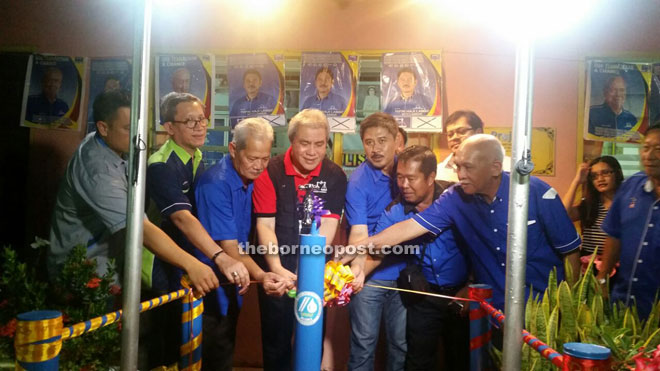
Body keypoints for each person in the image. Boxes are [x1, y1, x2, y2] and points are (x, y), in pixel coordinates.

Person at [351, 134, 581, 312]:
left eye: (468, 167)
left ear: (495, 167)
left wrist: (572, 304)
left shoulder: (537, 193)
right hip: (491, 309)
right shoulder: (455, 198)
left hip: (544, 306)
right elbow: (409, 228)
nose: (460, 174)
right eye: (458, 166)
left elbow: (570, 253)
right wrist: (357, 248)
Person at [48, 90, 218, 296]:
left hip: (114, 265)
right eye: (128, 128)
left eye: (138, 127)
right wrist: (192, 264)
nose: (136, 135)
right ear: (103, 127)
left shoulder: (117, 144)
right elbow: (140, 227)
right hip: (83, 270)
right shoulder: (98, 171)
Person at [146, 92, 249, 369]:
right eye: (189, 121)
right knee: (167, 345)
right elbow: (182, 218)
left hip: (189, 262)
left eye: (201, 119)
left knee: (195, 343)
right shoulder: (160, 164)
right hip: (161, 265)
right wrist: (221, 256)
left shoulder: (197, 156)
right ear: (169, 127)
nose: (199, 126)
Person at [195, 117, 293, 370]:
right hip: (209, 285)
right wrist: (263, 274)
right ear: (233, 149)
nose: (260, 166)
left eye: (265, 158)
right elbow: (229, 247)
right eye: (252, 158)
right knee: (213, 354)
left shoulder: (253, 177)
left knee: (226, 348)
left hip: (234, 281)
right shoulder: (215, 183)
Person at [252, 108, 348, 370]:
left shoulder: (335, 176)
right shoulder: (269, 171)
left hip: (315, 270)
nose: (312, 151)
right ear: (292, 141)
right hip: (277, 269)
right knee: (276, 342)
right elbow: (266, 225)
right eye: (304, 143)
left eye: (319, 144)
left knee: (311, 340)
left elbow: (329, 224)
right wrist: (278, 269)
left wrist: (309, 270)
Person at [379, 145, 469, 371]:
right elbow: (376, 247)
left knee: (460, 360)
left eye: (411, 178)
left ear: (431, 177)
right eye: (399, 177)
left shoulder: (457, 200)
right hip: (423, 295)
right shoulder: (395, 210)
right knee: (418, 361)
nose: (404, 185)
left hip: (463, 295)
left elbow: (482, 246)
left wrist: (471, 285)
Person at [343, 112, 404, 370]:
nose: (375, 148)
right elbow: (358, 232)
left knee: (401, 346)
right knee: (363, 344)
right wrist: (359, 270)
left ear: (396, 140)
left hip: (404, 273)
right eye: (369, 142)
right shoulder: (358, 181)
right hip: (369, 276)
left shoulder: (407, 170)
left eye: (382, 140)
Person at [597, 122, 660, 319]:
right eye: (646, 147)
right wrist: (603, 279)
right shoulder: (631, 187)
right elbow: (614, 235)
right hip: (624, 303)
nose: (649, 156)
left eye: (658, 149)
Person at [563, 156, 624, 256]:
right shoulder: (589, 205)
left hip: (617, 262)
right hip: (588, 264)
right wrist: (576, 182)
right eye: (594, 176)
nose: (600, 179)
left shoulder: (627, 204)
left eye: (605, 173)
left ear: (616, 173)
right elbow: (561, 215)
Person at [436, 110, 511, 182]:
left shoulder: (507, 165)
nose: (454, 137)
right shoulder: (439, 171)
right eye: (450, 134)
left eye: (462, 131)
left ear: (478, 132)